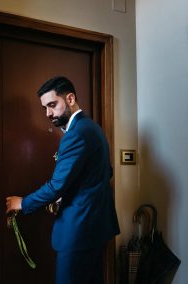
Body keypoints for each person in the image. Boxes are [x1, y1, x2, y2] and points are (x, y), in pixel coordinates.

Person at [6, 76, 120, 284]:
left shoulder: (76, 134)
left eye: (52, 105)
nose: (48, 113)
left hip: (79, 230)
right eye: (44, 108)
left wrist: (22, 203)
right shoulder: (92, 128)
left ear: (70, 98)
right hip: (96, 226)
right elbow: (106, 172)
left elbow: (56, 185)